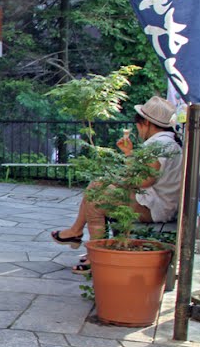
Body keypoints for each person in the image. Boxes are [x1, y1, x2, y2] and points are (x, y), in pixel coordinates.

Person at [50, 95, 183, 273]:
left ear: (147, 123)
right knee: (97, 186)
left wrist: (117, 179)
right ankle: (76, 233)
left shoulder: (160, 145)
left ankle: (95, 255)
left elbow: (143, 180)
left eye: (138, 122)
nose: (137, 128)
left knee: (97, 200)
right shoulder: (166, 142)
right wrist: (129, 155)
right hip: (155, 201)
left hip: (156, 206)